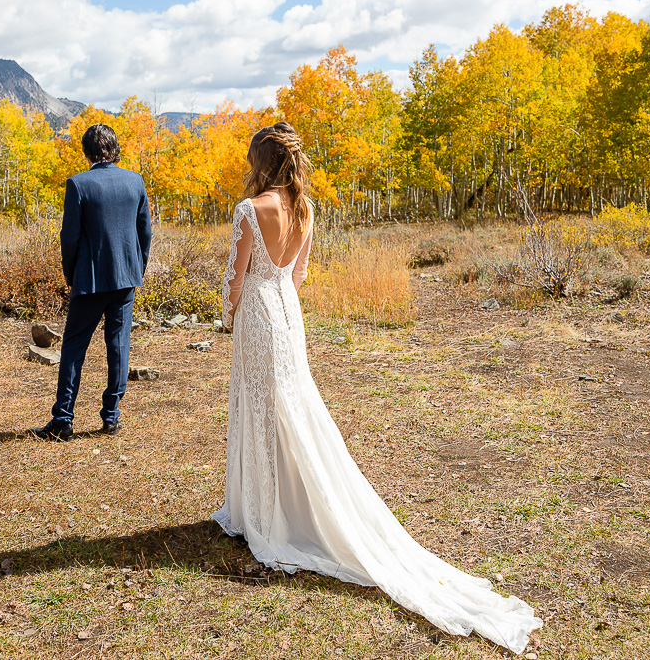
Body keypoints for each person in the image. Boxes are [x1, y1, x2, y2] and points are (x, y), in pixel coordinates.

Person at [214, 122, 543, 654]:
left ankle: (267, 515)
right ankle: (276, 504)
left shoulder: (252, 210)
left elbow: (236, 276)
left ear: (261, 162)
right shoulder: (304, 209)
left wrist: (229, 314)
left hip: (258, 318)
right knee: (289, 409)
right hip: (288, 317)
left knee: (260, 408)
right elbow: (297, 278)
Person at [27, 124, 151, 441]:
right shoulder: (134, 181)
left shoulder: (79, 185)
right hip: (125, 279)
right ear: (115, 148)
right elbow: (145, 232)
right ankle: (111, 417)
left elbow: (69, 238)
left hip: (90, 280)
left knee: (73, 349)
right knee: (118, 346)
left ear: (86, 152)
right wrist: (137, 267)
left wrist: (71, 274)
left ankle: (63, 421)